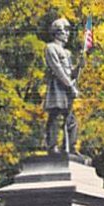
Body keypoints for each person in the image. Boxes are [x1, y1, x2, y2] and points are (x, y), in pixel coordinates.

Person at [44, 17, 81, 155]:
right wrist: (70, 86)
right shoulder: (50, 48)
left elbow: (71, 73)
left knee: (70, 118)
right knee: (55, 115)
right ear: (57, 32)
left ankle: (71, 147)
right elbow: (57, 69)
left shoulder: (67, 53)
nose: (67, 34)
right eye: (64, 31)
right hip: (57, 87)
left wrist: (79, 66)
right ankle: (52, 146)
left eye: (67, 31)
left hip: (67, 87)